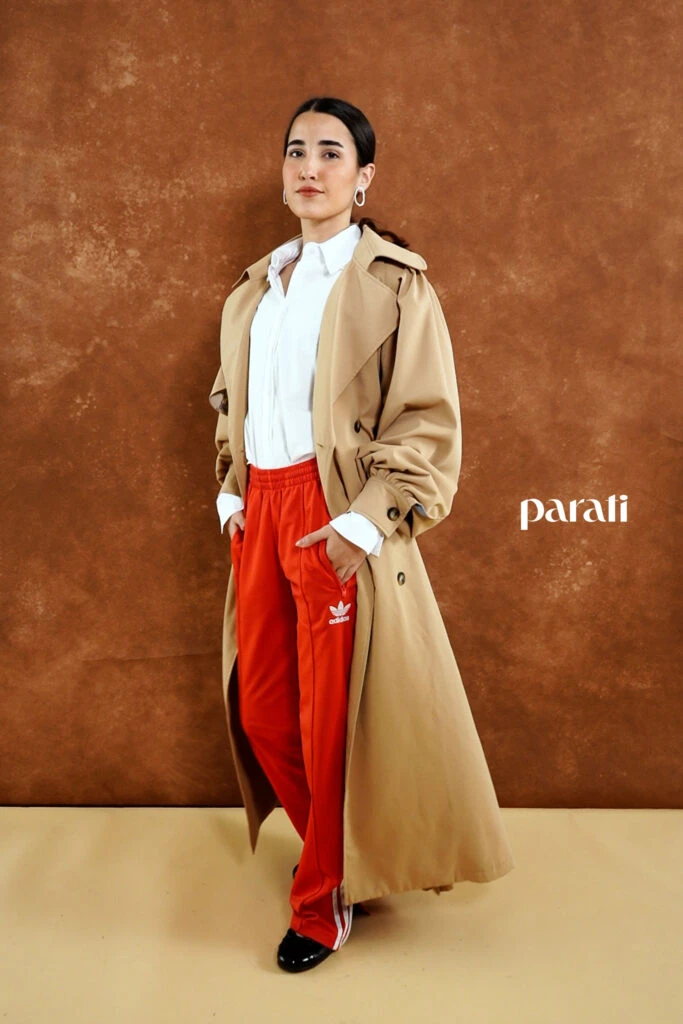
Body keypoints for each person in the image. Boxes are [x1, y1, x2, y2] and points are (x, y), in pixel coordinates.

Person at [209, 96, 515, 974]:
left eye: (331, 153)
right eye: (295, 151)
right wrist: (231, 493)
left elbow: (425, 420)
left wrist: (363, 523)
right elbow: (232, 404)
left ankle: (321, 905)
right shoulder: (255, 288)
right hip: (260, 512)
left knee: (330, 721)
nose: (309, 167)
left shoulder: (393, 282)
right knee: (264, 711)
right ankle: (344, 855)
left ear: (363, 176)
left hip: (333, 515)